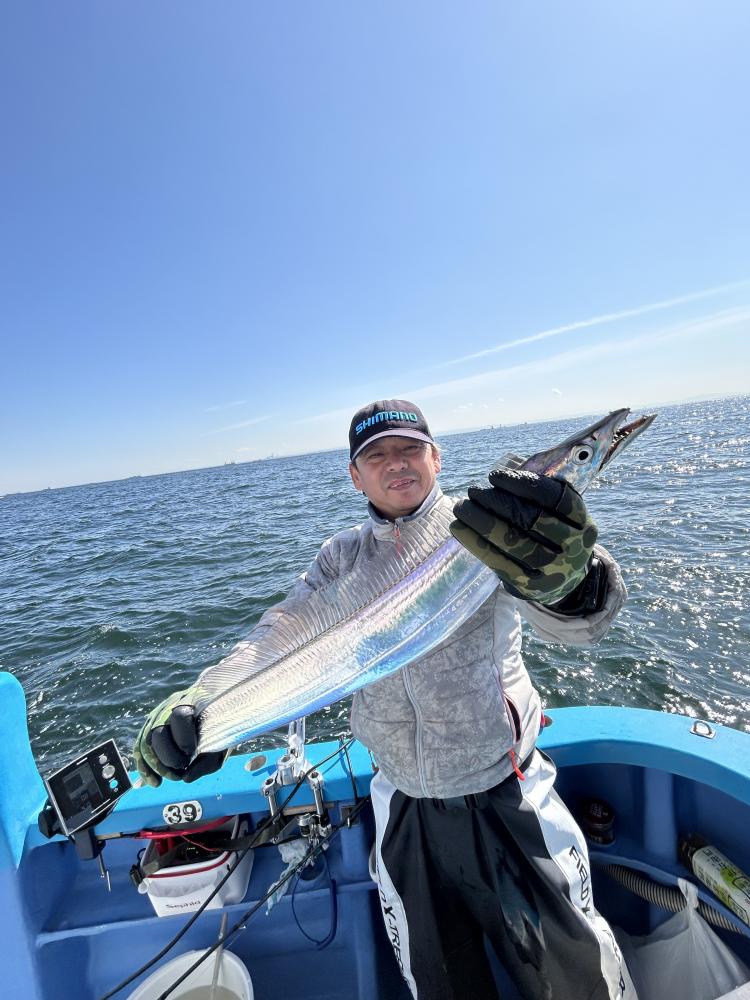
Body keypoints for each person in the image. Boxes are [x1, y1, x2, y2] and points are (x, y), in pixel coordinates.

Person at [134, 399, 636, 1000]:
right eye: (377, 455)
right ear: (355, 475)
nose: (396, 463)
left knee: (582, 983)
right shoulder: (339, 558)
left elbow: (582, 623)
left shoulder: (497, 528)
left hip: (508, 792)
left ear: (436, 458)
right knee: (441, 987)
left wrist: (575, 581)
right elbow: (277, 636)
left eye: (410, 449)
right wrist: (205, 704)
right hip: (402, 806)